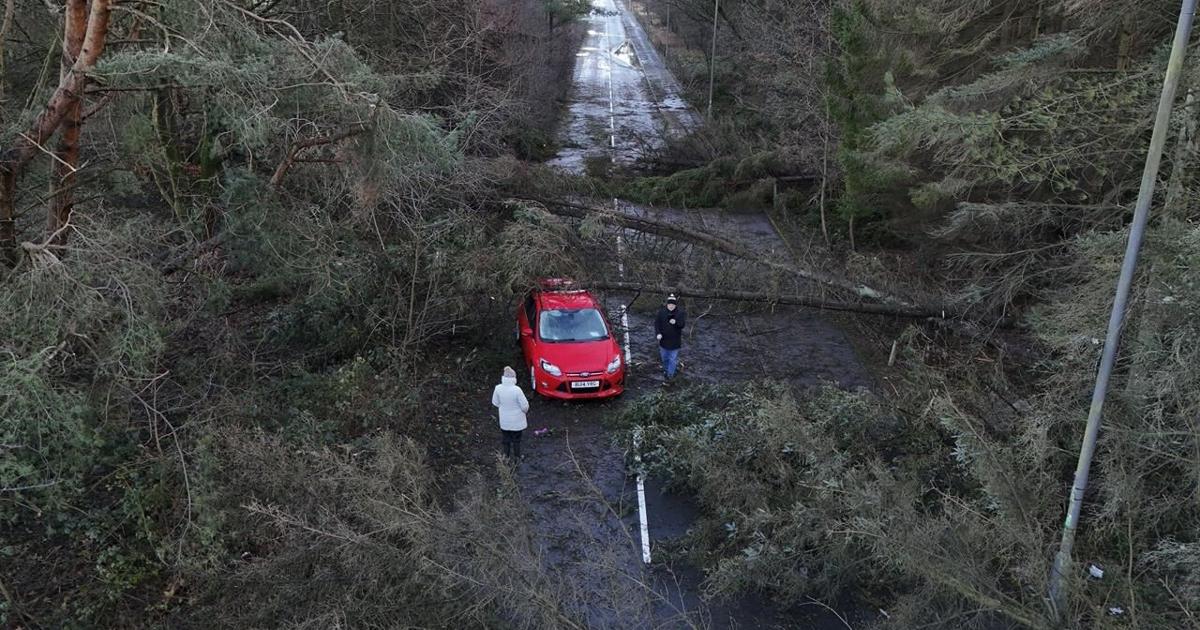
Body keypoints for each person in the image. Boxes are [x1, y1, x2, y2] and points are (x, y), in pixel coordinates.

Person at [492, 365, 529, 462]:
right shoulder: (517, 390)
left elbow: (495, 402)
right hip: (517, 421)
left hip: (504, 420)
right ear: (514, 378)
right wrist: (524, 411)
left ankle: (506, 457)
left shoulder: (498, 388)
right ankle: (517, 457)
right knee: (517, 439)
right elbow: (525, 406)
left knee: (506, 439)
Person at [654, 294, 686, 379]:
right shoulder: (661, 312)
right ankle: (666, 370)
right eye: (669, 304)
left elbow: (682, 325)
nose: (671, 306)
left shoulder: (680, 313)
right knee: (665, 358)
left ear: (675, 305)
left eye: (673, 305)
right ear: (667, 304)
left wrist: (675, 323)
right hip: (663, 341)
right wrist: (658, 333)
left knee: (672, 359)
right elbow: (657, 324)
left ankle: (670, 375)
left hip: (675, 342)